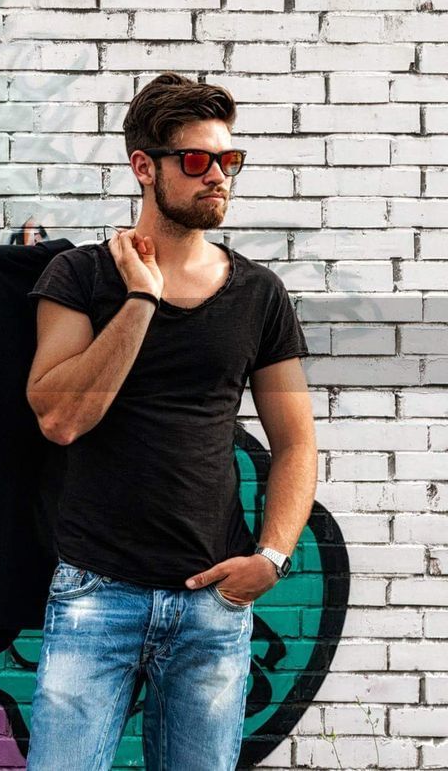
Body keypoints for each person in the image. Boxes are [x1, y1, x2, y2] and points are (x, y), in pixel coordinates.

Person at [23, 72, 317, 771]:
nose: (218, 176)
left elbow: (297, 441)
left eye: (229, 161)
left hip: (213, 603)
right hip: (97, 594)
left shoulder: (258, 294)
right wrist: (139, 302)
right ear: (143, 167)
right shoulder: (81, 277)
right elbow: (61, 417)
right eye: (196, 160)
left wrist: (270, 560)